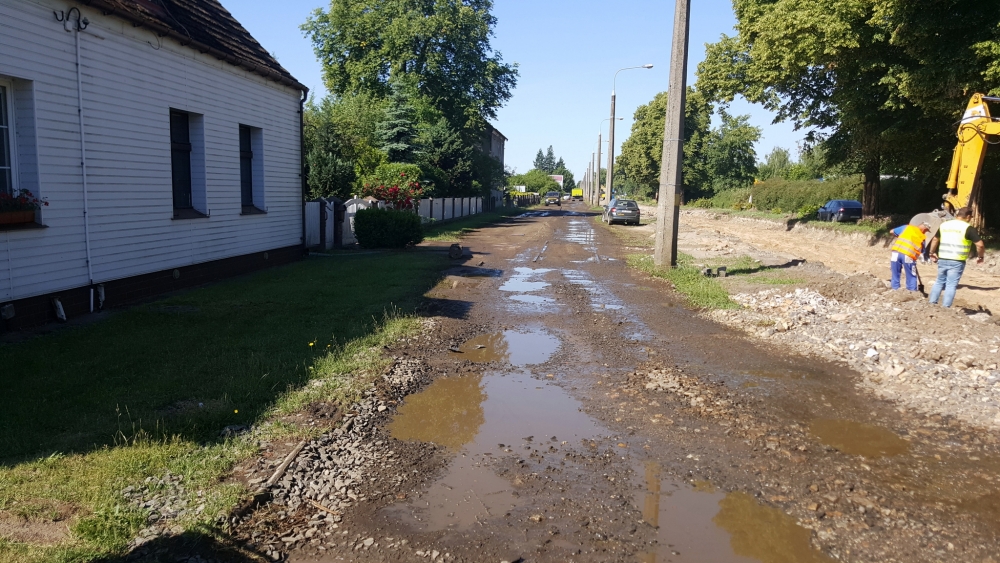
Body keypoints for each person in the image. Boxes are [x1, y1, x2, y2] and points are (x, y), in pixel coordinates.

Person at [928, 207, 986, 307]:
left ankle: (932, 304)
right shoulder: (968, 228)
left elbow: (935, 239)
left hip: (943, 258)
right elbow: (980, 245)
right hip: (957, 261)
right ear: (968, 216)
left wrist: (931, 252)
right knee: (951, 285)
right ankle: (945, 308)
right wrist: (980, 256)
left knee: (939, 281)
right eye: (970, 217)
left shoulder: (944, 225)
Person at [889, 222, 930, 290]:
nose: (925, 232)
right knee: (911, 275)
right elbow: (922, 251)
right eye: (926, 231)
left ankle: (894, 290)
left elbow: (891, 231)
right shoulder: (922, 236)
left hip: (895, 253)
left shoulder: (906, 227)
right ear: (924, 229)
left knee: (895, 274)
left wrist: (899, 236)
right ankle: (912, 292)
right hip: (908, 255)